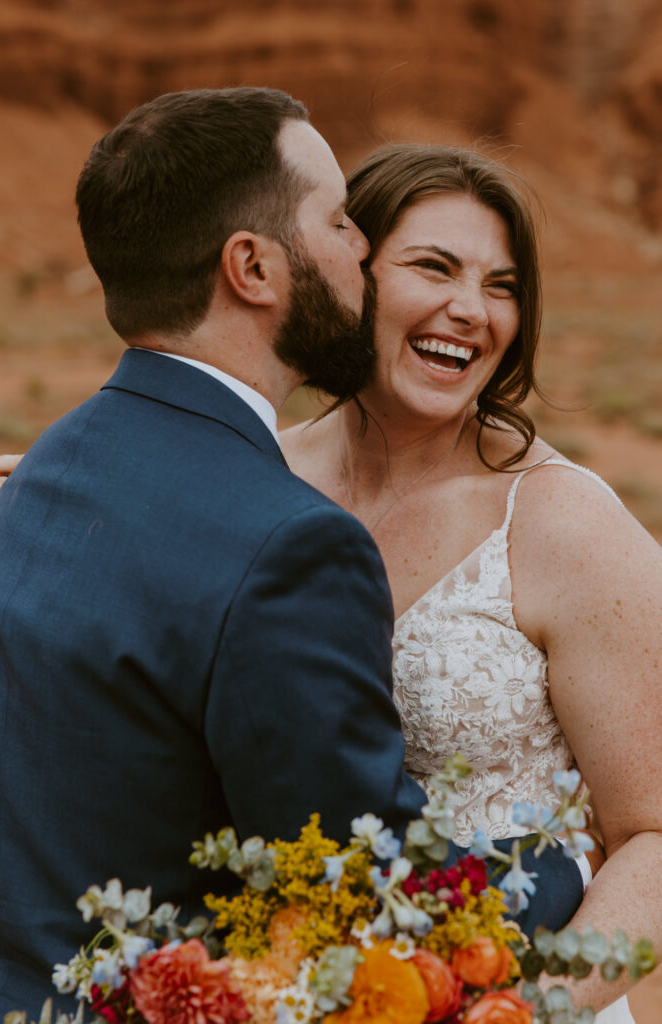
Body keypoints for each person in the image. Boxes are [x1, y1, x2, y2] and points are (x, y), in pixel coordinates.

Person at [0, 94, 583, 1020]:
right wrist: (560, 861)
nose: (358, 251)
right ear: (253, 266)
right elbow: (364, 893)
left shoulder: (52, 462)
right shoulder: (291, 547)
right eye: (338, 221)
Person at [281, 143, 662, 1021]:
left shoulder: (563, 523)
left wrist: (528, 1009)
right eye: (433, 267)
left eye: (501, 285)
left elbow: (651, 834)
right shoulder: (251, 477)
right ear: (350, 273)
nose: (469, 310)